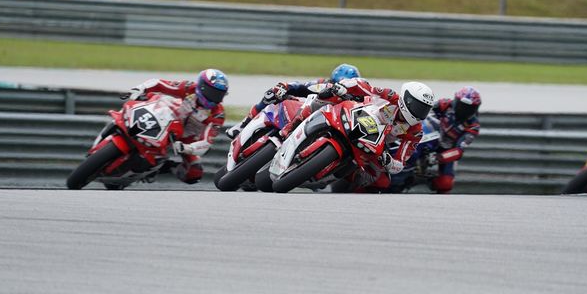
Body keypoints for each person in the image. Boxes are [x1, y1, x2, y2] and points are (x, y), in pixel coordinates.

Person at [279, 77, 435, 191]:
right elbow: (363, 86)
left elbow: (400, 163)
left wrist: (389, 162)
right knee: (328, 95)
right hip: (358, 115)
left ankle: (336, 178)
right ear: (406, 99)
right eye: (418, 106)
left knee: (379, 180)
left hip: (374, 143)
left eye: (424, 109)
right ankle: (293, 126)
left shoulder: (415, 132)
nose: (420, 112)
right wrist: (344, 87)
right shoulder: (390, 96)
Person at [121, 69, 228, 184]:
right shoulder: (188, 87)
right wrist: (140, 88)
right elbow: (158, 83)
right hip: (163, 116)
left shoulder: (218, 115)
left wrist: (187, 148)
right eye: (212, 92)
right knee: (141, 102)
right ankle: (121, 125)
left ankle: (164, 166)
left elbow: (206, 142)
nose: (214, 98)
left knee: (194, 173)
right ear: (201, 86)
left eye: (218, 95)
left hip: (184, 139)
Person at [225, 63, 361, 139]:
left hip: (328, 127)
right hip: (304, 116)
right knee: (272, 95)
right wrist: (285, 86)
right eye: (337, 84)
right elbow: (301, 87)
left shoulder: (356, 101)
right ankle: (243, 124)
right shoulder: (324, 84)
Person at [428, 86, 482, 194]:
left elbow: (459, 150)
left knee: (446, 183)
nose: (463, 109)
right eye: (461, 105)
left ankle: (429, 182)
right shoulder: (445, 103)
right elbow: (423, 114)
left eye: (468, 108)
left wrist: (439, 158)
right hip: (428, 138)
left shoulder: (473, 126)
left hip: (446, 150)